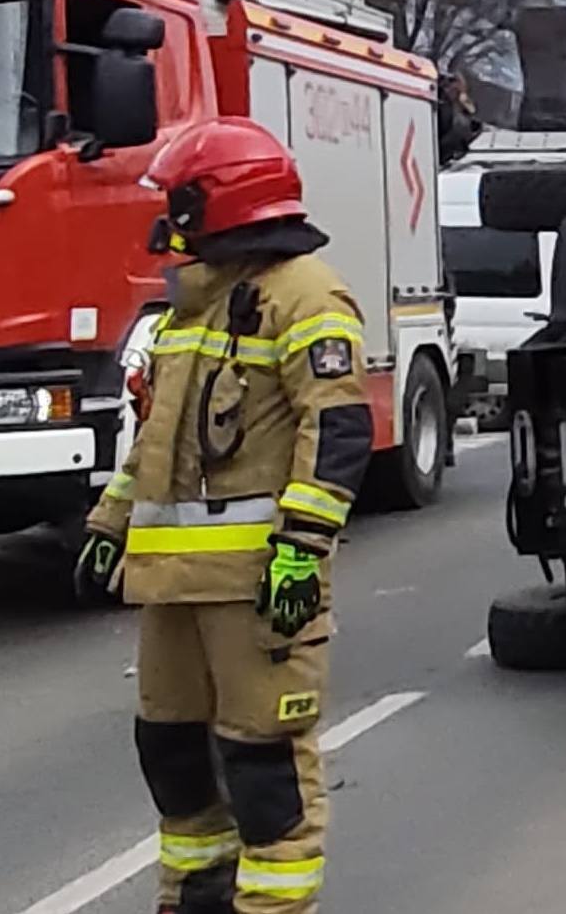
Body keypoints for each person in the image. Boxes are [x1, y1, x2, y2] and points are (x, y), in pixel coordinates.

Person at [74, 118, 373, 914]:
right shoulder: (193, 310)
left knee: (262, 762)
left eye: (180, 201)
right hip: (171, 586)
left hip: (255, 587)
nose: (167, 217)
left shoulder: (305, 295)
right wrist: (110, 524)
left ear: (221, 201)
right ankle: (193, 897)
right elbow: (157, 441)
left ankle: (270, 907)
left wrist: (302, 551)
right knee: (170, 752)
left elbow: (334, 429)